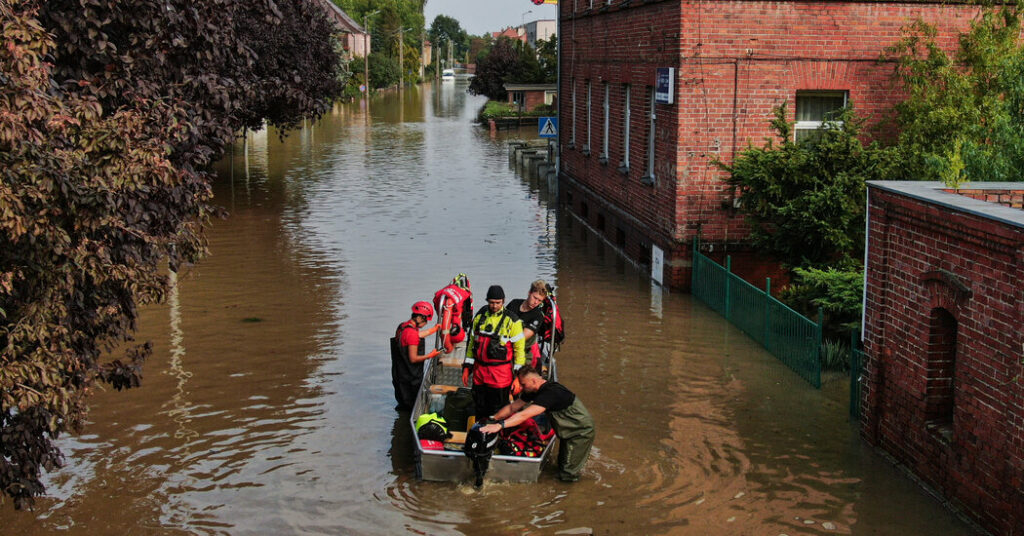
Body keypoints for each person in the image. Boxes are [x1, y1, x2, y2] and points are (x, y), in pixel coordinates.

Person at [480, 366, 595, 482]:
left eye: (523, 384)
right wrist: (493, 419)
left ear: (534, 381)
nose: (521, 387)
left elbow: (524, 415)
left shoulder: (551, 393)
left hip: (580, 432)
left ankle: (569, 493)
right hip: (568, 430)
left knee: (567, 473)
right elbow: (512, 407)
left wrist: (500, 426)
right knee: (561, 464)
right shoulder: (532, 390)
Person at [463, 285, 525, 422]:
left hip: (500, 376)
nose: (494, 306)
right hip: (480, 373)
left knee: (498, 410)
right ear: (487, 301)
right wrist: (467, 368)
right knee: (480, 407)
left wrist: (518, 378)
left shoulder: (512, 320)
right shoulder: (480, 316)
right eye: (491, 302)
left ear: (503, 301)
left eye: (498, 303)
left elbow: (519, 352)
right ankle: (480, 432)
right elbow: (472, 344)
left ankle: (498, 434)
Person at [390, 301, 442, 411]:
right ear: (420, 318)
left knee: (403, 406)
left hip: (399, 375)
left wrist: (432, 330)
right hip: (410, 379)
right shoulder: (412, 334)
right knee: (412, 408)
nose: (426, 324)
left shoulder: (403, 327)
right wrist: (430, 355)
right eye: (426, 321)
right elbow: (413, 359)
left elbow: (414, 336)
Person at [505, 280, 548, 368]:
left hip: (523, 353)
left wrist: (504, 341)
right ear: (529, 293)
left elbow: (522, 337)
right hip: (505, 347)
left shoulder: (538, 316)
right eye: (535, 298)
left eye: (540, 301)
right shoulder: (514, 303)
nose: (536, 302)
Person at [433, 273, 473, 357]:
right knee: (458, 335)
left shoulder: (447, 297)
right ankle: (448, 345)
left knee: (456, 334)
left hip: (450, 317)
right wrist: (448, 346)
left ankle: (448, 343)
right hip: (451, 322)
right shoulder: (452, 300)